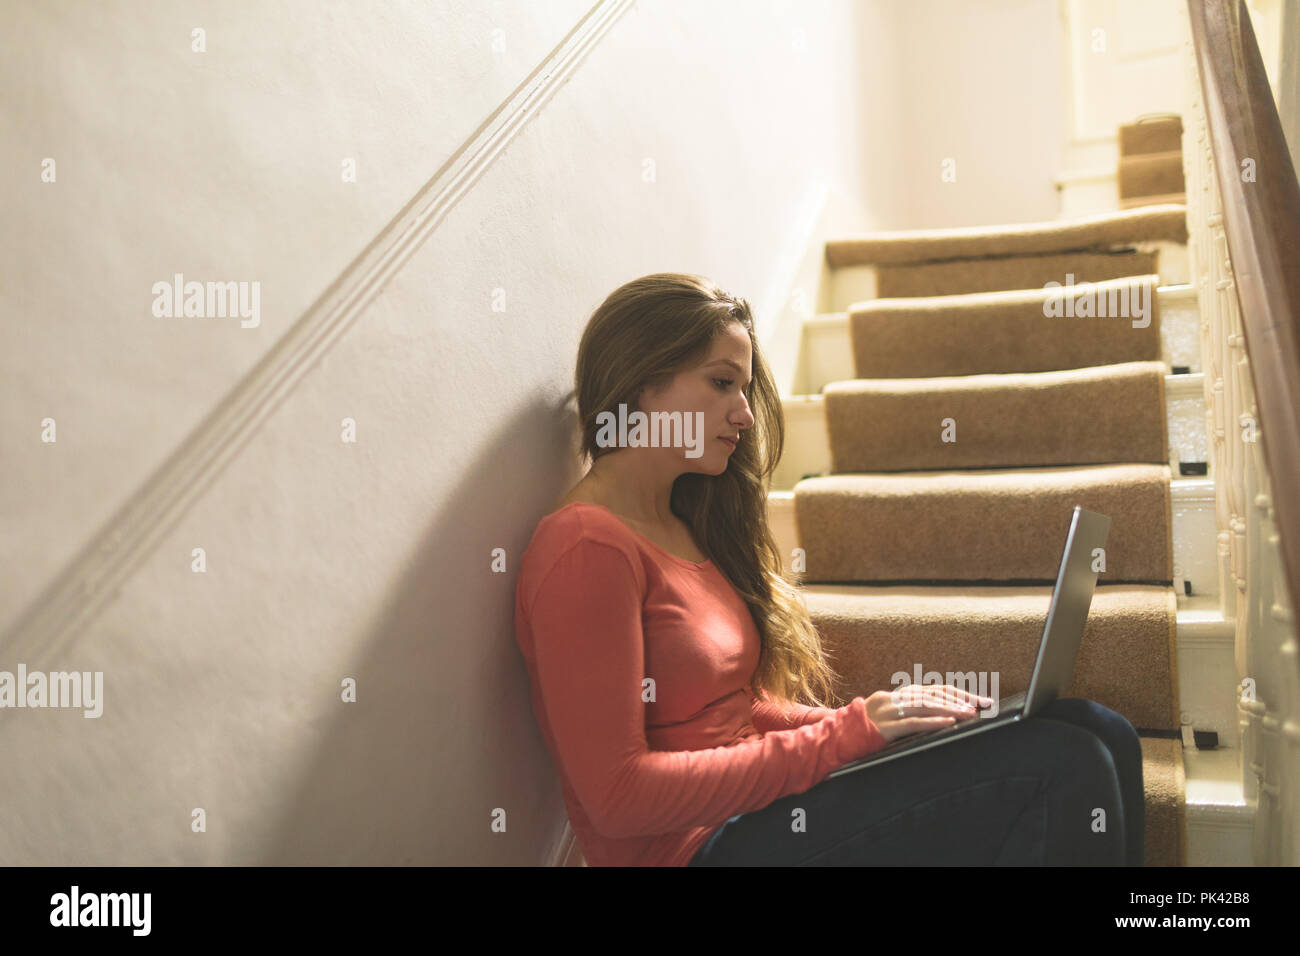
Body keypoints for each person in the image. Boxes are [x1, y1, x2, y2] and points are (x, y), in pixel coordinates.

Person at [513, 273, 1144, 866]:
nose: (746, 414)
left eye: (743, 388)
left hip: (760, 813)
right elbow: (618, 798)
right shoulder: (584, 549)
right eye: (721, 383)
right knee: (1064, 762)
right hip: (699, 851)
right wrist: (841, 738)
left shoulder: (682, 522)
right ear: (643, 381)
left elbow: (737, 709)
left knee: (1098, 729)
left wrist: (876, 722)